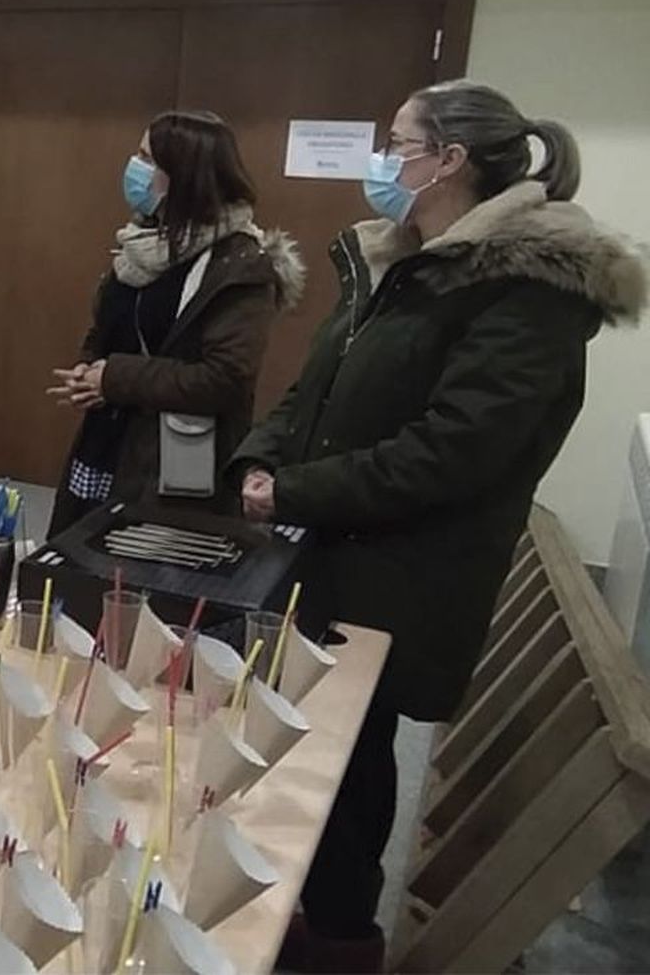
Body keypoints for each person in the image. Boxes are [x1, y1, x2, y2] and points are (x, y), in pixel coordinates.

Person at [232, 80, 645, 973]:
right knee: (316, 750)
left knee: (353, 757)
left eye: (398, 142)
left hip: (403, 570)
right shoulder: (397, 256)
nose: (385, 161)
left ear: (449, 160)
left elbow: (453, 452)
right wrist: (262, 461)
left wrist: (295, 490)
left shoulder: (525, 287)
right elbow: (317, 389)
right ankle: (307, 917)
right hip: (333, 544)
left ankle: (340, 939)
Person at [46, 111, 303, 536]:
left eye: (147, 158)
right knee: (73, 573)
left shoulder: (239, 264)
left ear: (184, 175)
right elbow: (112, 325)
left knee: (136, 585)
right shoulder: (142, 242)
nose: (135, 167)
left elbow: (225, 378)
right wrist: (88, 369)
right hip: (105, 441)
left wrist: (114, 378)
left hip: (173, 462)